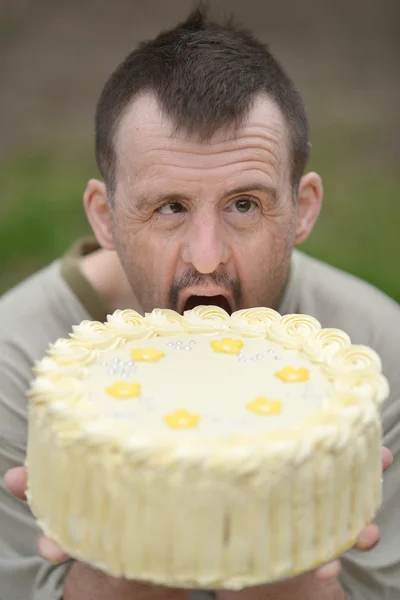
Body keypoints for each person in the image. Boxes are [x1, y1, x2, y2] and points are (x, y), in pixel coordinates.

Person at [0, 6, 399, 600]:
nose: (207, 257)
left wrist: (282, 582)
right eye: (170, 207)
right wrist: (114, 580)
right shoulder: (16, 362)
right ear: (106, 217)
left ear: (303, 209)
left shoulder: (378, 354)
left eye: (244, 204)